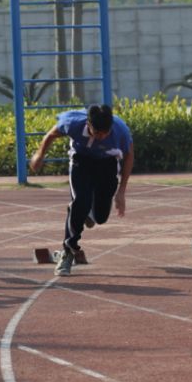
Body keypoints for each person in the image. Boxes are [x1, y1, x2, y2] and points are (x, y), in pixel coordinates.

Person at [30, 104, 134, 276]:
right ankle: (68, 252)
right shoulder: (73, 122)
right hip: (81, 162)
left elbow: (129, 156)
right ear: (88, 124)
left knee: (100, 217)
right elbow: (51, 135)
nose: (101, 137)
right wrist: (39, 155)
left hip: (107, 165)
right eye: (97, 132)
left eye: (105, 133)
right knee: (79, 202)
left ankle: (88, 214)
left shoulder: (120, 130)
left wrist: (121, 192)